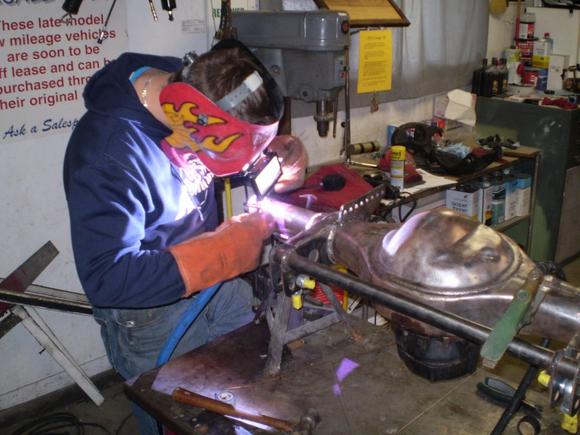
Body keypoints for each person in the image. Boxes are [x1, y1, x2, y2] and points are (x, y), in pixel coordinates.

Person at [63, 39, 306, 435]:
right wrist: (224, 252)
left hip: (214, 290)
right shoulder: (107, 154)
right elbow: (107, 280)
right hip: (152, 316)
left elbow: (228, 136)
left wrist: (274, 151)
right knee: (182, 423)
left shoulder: (203, 84)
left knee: (250, 397)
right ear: (189, 121)